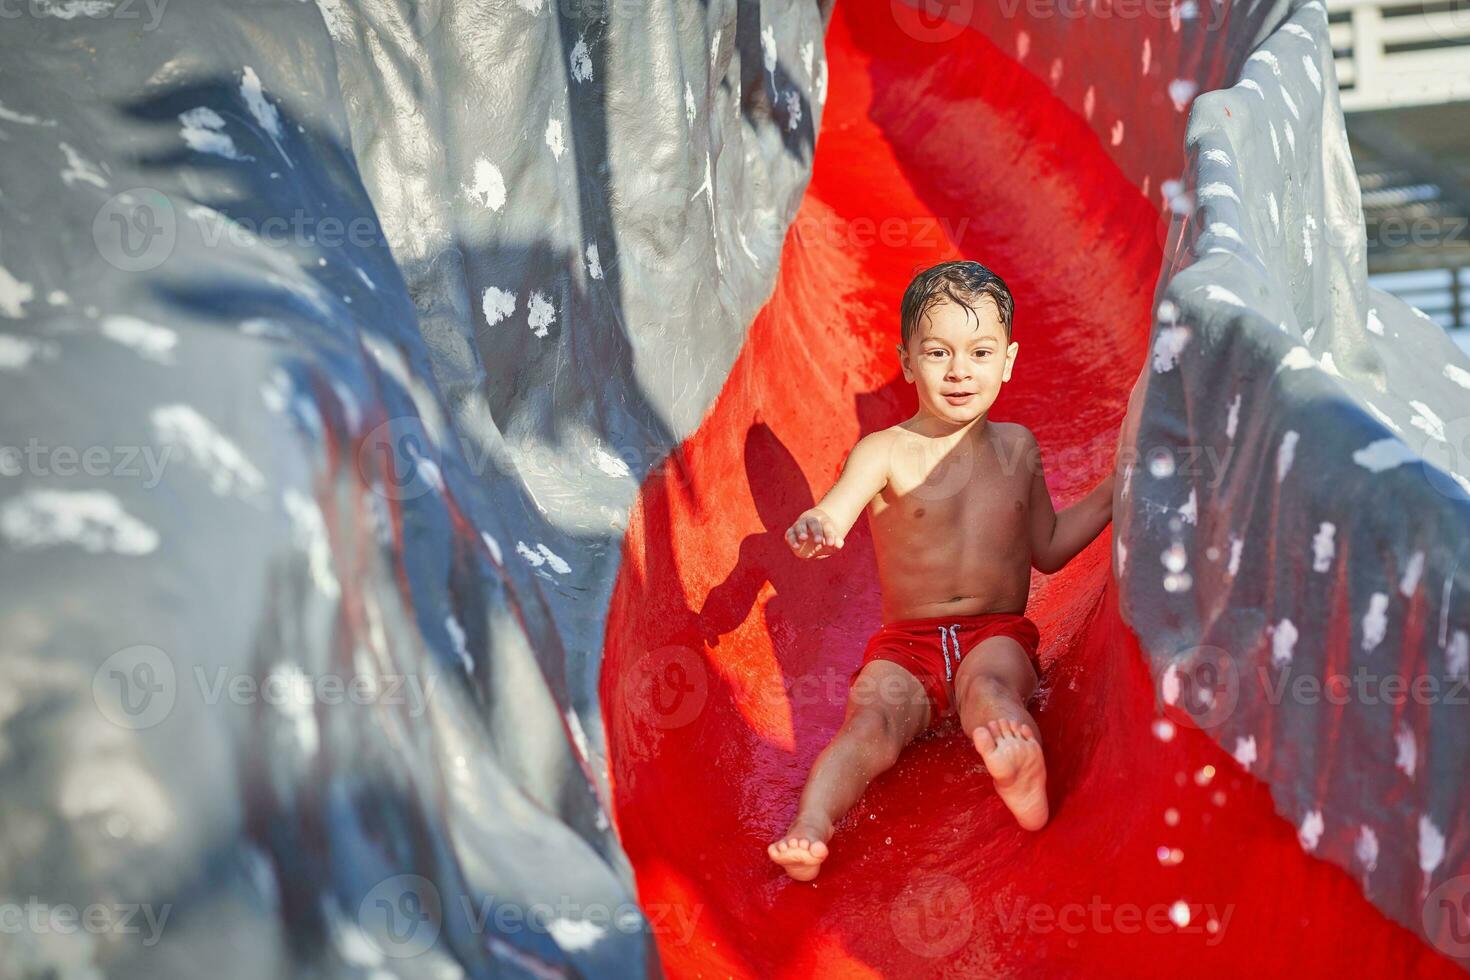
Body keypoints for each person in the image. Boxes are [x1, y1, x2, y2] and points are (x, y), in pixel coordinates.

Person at [767, 260, 1116, 882]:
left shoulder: (1018, 449)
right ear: (906, 361)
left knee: (991, 692)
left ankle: (1020, 773)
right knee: (870, 723)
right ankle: (812, 825)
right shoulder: (885, 451)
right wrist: (818, 527)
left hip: (996, 632)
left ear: (1008, 361)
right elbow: (836, 510)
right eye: (938, 352)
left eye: (980, 352)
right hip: (907, 647)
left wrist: (1118, 489)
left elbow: (1051, 547)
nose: (960, 370)